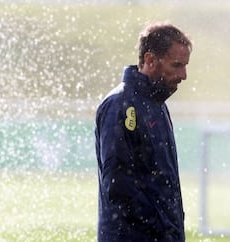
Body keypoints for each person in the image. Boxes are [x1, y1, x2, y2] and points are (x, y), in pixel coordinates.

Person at [94, 22, 192, 242]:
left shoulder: (157, 105)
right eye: (176, 65)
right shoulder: (120, 105)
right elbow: (118, 186)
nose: (184, 75)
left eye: (185, 66)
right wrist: (162, 227)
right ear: (150, 60)